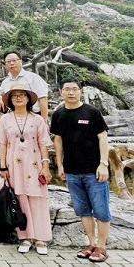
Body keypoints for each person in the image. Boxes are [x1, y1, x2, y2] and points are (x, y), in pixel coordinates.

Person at [51, 78, 111, 263]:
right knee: (83, 210)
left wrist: (103, 163)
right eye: (67, 89)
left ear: (81, 91)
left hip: (94, 171)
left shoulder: (92, 112)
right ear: (60, 92)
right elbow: (58, 140)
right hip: (72, 171)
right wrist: (60, 165)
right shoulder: (59, 114)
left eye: (74, 89)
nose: (71, 92)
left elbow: (103, 138)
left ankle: (101, 247)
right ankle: (91, 244)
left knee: (101, 210)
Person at [0, 83, 52, 255]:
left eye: (22, 94)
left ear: (28, 98)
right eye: (14, 95)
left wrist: (46, 166)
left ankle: (40, 238)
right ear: (10, 100)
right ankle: (26, 237)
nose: (18, 97)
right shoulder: (5, 119)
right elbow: (2, 144)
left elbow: (43, 144)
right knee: (19, 199)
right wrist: (2, 166)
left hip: (34, 164)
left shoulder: (37, 120)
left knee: (38, 198)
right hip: (14, 165)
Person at [0, 50, 49, 120]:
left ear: (21, 61)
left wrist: (44, 121)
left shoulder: (32, 78)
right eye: (8, 61)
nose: (11, 63)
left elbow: (43, 99)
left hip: (33, 116)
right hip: (13, 118)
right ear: (5, 64)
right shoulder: (6, 82)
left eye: (14, 60)